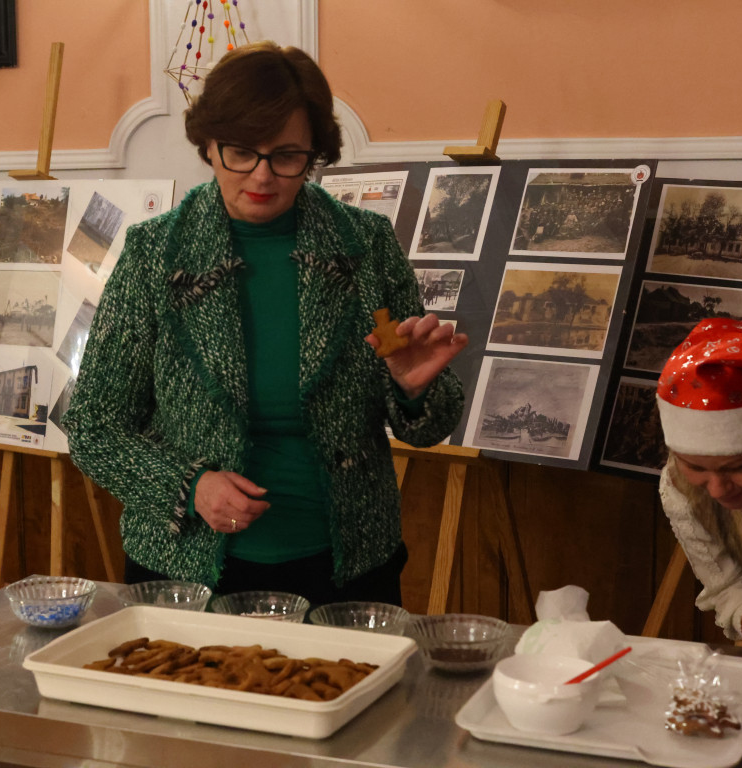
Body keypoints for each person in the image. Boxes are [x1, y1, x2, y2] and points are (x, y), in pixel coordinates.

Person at [63, 41, 467, 606]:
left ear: (314, 154)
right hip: (188, 569)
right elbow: (93, 425)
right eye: (241, 152)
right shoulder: (155, 254)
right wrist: (190, 487)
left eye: (286, 156)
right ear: (208, 145)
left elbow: (426, 426)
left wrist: (414, 390)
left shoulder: (366, 246)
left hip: (346, 567)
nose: (262, 174)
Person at [656, 317, 742, 643]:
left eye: (738, 467)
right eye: (695, 467)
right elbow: (728, 588)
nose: (716, 489)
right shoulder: (679, 488)